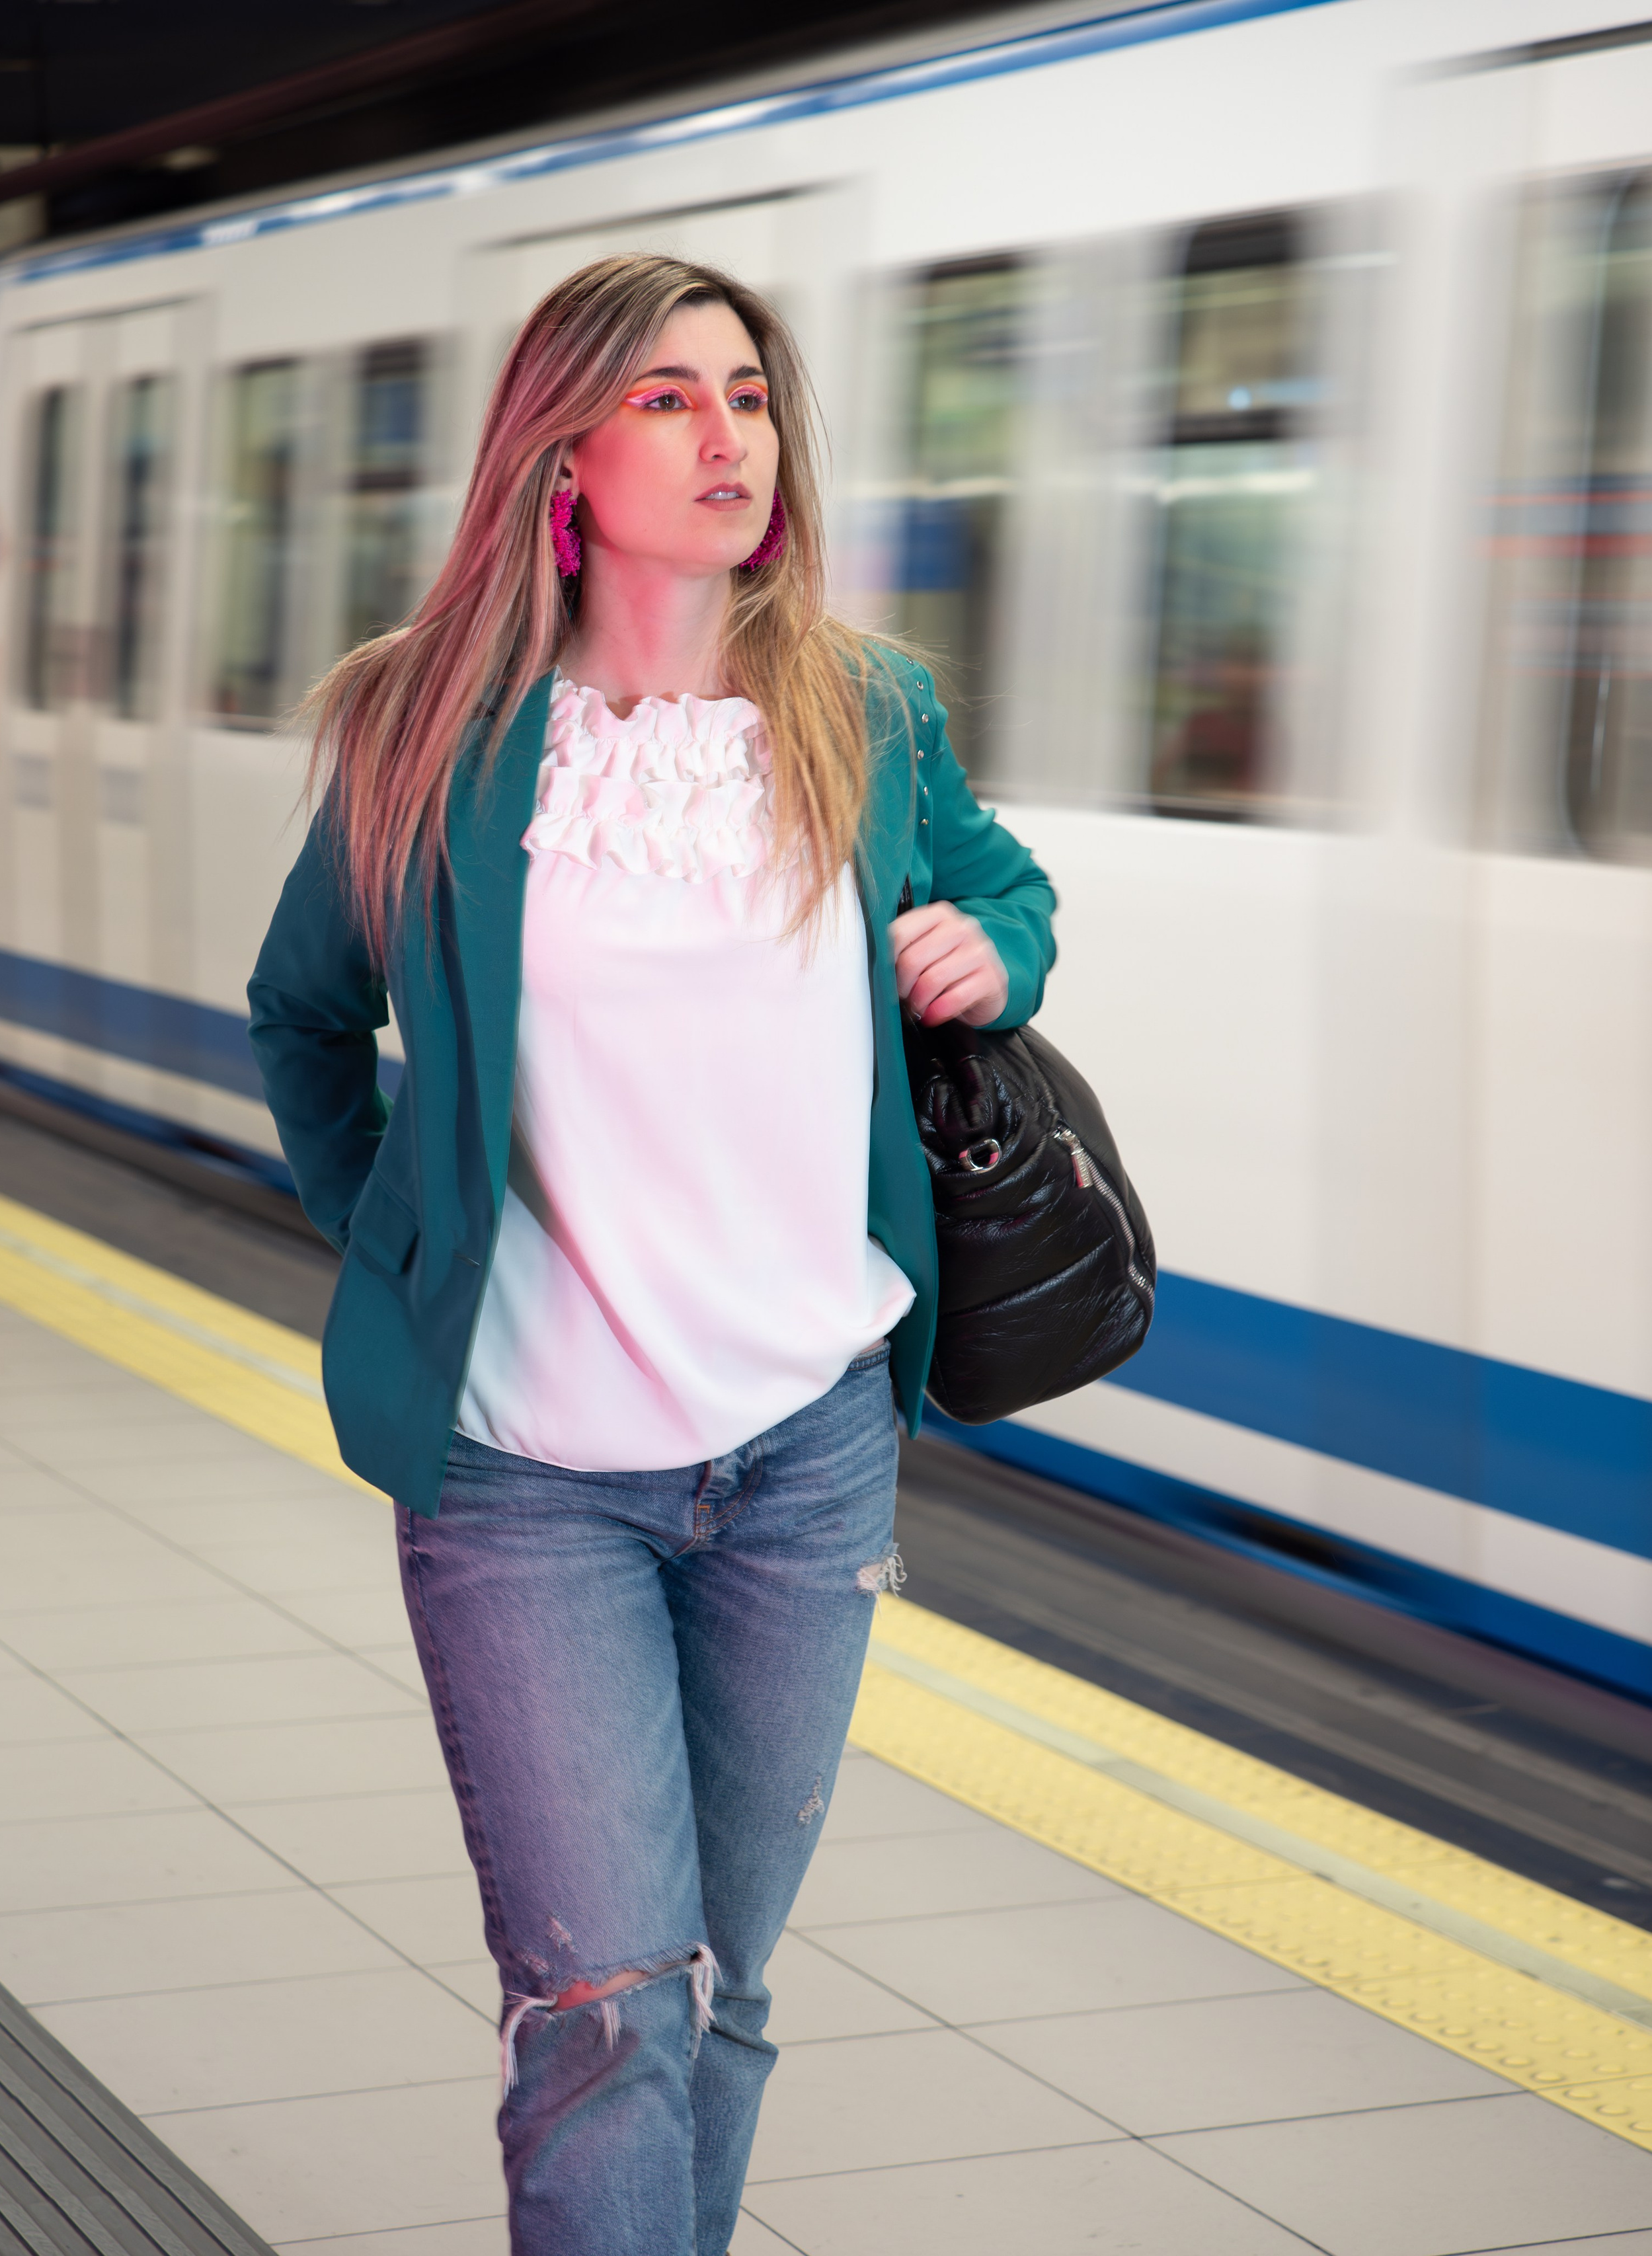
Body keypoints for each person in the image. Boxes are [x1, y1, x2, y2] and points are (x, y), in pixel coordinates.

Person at [248, 253, 1056, 2256]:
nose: (728, 437)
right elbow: (301, 1014)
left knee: (729, 1990)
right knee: (607, 2010)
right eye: (671, 399)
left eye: (752, 398)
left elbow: (1004, 890)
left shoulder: (864, 713)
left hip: (806, 1456)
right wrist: (408, 1234)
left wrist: (996, 948)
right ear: (562, 453)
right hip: (527, 1472)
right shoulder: (424, 734)